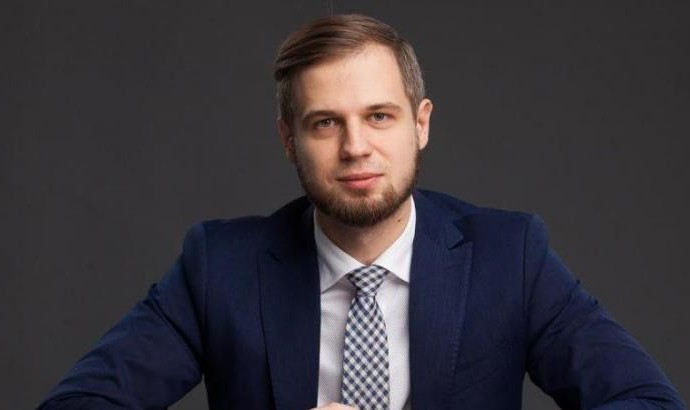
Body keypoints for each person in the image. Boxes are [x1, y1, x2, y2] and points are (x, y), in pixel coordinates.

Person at [39, 14, 684, 410]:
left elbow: (647, 402)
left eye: (379, 116)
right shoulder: (219, 268)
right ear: (289, 139)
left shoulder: (509, 256)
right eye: (326, 123)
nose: (355, 147)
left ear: (420, 124)